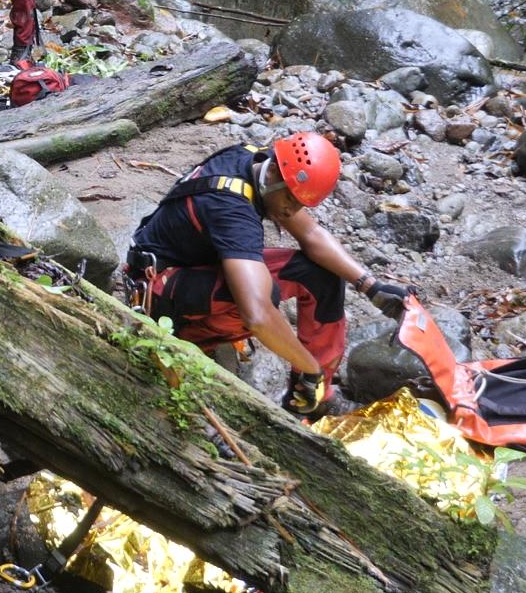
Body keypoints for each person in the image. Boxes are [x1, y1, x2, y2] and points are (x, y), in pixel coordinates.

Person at [125, 132, 412, 416]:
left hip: (194, 267)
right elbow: (258, 315)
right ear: (274, 171)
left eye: (300, 203)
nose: (292, 210)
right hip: (157, 290)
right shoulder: (233, 209)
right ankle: (194, 339)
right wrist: (309, 366)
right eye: (290, 199)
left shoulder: (257, 163)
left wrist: (370, 286)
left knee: (320, 276)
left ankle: (314, 396)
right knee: (261, 299)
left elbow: (311, 233)